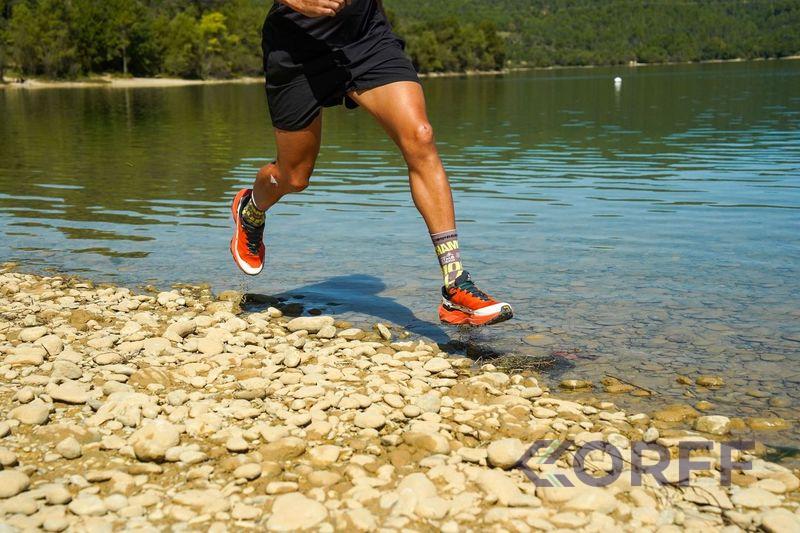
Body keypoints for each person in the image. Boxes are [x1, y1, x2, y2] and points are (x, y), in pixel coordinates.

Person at [230, 0, 513, 326]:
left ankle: (455, 283)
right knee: (294, 177)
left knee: (420, 136)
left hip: (364, 35)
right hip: (296, 46)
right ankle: (250, 211)